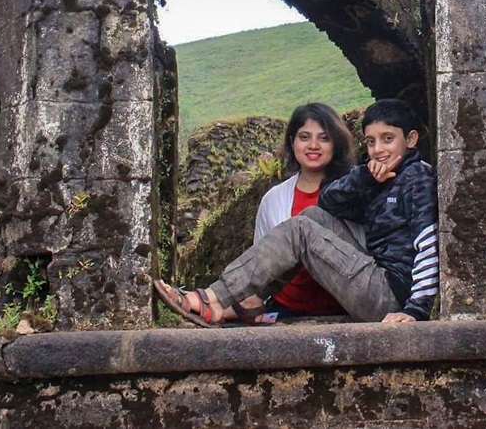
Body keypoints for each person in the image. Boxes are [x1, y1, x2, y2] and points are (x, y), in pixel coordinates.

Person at [155, 98, 438, 326]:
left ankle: (214, 298)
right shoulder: (379, 178)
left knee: (298, 229)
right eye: (371, 141)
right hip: (374, 279)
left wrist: (416, 310)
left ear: (410, 139)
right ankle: (243, 302)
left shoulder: (417, 179)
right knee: (310, 218)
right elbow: (328, 203)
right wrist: (365, 177)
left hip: (391, 293)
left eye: (388, 139)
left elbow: (428, 244)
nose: (378, 150)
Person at [227, 102, 356, 322]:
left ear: (336, 144)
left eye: (324, 138)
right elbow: (262, 260)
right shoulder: (274, 199)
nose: (313, 145)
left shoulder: (354, 191)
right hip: (286, 310)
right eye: (304, 137)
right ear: (292, 142)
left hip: (346, 310)